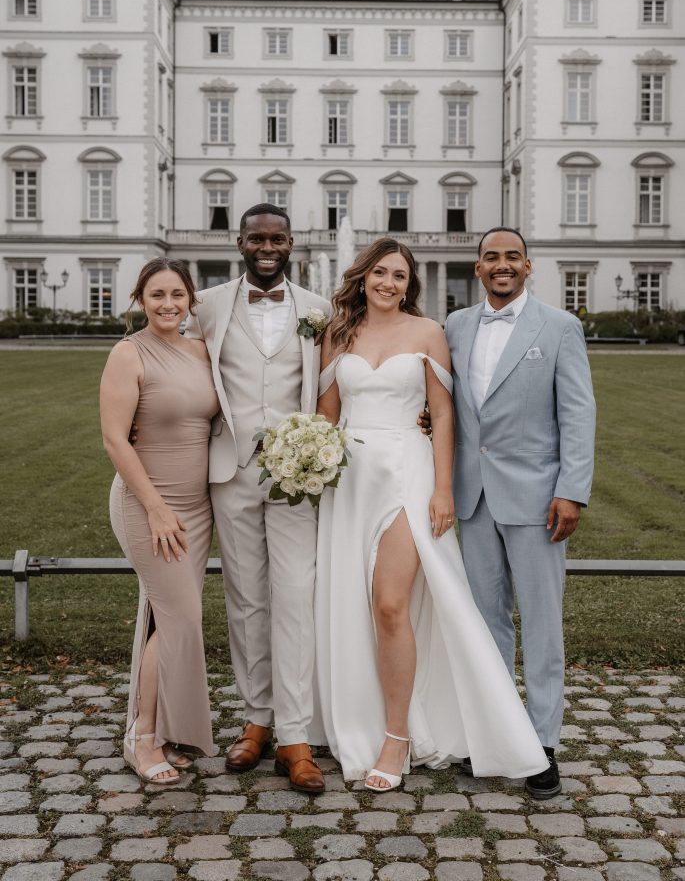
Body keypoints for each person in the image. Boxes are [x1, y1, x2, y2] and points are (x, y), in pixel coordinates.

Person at [315, 238, 549, 788]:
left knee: (391, 603)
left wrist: (442, 488)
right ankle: (361, 719)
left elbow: (442, 416)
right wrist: (308, 460)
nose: (389, 283)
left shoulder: (428, 334)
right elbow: (326, 414)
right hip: (349, 482)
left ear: (409, 284)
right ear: (363, 278)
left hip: (407, 476)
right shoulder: (338, 335)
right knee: (356, 604)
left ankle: (397, 739)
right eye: (380, 273)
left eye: (399, 275)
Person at [184, 203, 331, 794]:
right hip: (231, 468)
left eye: (277, 238)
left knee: (295, 595)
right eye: (255, 238)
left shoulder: (317, 310)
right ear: (239, 242)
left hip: (296, 476)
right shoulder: (208, 305)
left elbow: (333, 383)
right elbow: (176, 362)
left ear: (292, 243)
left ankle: (296, 735)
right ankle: (257, 719)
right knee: (245, 600)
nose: (266, 247)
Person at [444, 227, 596, 799]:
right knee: (486, 624)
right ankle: (495, 735)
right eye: (491, 257)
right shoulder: (456, 326)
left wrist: (572, 490)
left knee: (541, 622)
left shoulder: (559, 327)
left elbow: (578, 414)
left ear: (527, 266)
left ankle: (542, 745)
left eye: (512, 256)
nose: (501, 265)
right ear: (477, 268)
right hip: (474, 496)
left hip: (539, 498)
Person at [100, 258, 218, 785]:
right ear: (140, 300)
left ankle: (169, 728)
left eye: (177, 294)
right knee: (179, 619)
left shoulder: (200, 351)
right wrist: (154, 507)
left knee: (170, 620)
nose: (168, 304)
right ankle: (141, 736)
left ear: (190, 299)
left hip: (197, 508)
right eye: (156, 295)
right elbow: (114, 439)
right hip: (150, 505)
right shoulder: (129, 353)